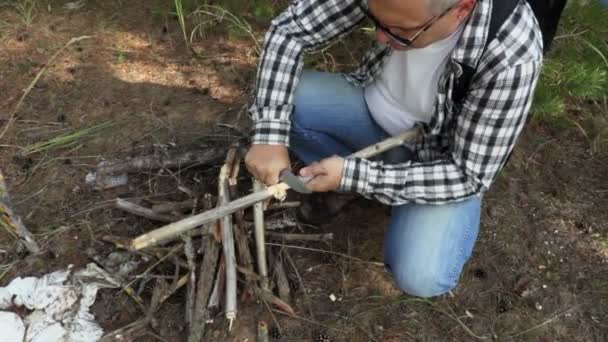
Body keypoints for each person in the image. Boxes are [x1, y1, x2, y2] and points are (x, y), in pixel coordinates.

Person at [245, 0, 543, 298]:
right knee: (283, 99)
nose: (380, 38)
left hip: (440, 160)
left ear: (462, 9)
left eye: (401, 32)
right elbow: (290, 30)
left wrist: (355, 175)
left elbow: (468, 175)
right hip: (368, 110)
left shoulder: (511, 53)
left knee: (422, 276)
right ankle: (364, 182)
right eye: (376, 20)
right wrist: (270, 135)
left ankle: (379, 191)